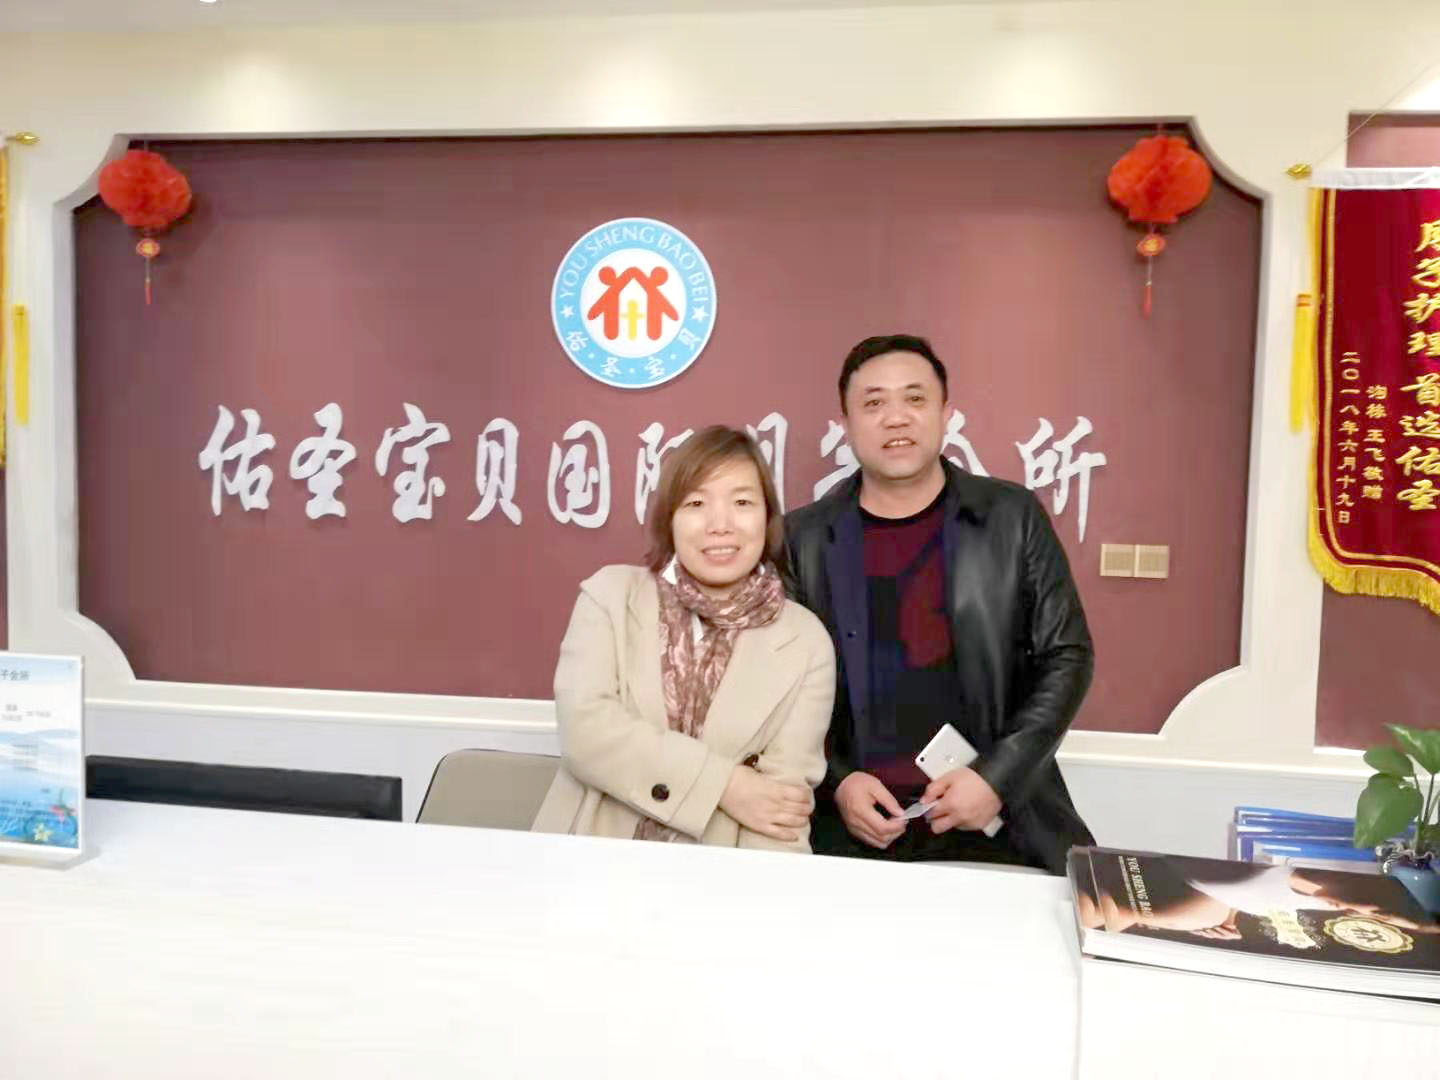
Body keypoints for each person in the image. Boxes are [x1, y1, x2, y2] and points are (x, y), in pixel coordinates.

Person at [784, 333, 1094, 873]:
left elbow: (1067, 655)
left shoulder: (1011, 517)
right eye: (874, 403)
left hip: (997, 821)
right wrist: (838, 782)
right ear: (846, 424)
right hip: (852, 830)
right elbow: (781, 686)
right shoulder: (803, 538)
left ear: (946, 413)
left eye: (915, 398)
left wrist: (995, 778)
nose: (896, 418)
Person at [533, 425, 836, 851]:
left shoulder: (805, 640)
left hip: (721, 877)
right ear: (669, 519)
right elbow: (587, 733)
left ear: (767, 518)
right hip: (588, 859)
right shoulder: (610, 597)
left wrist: (758, 895)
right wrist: (726, 785)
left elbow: (779, 809)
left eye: (742, 502)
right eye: (696, 503)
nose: (720, 525)